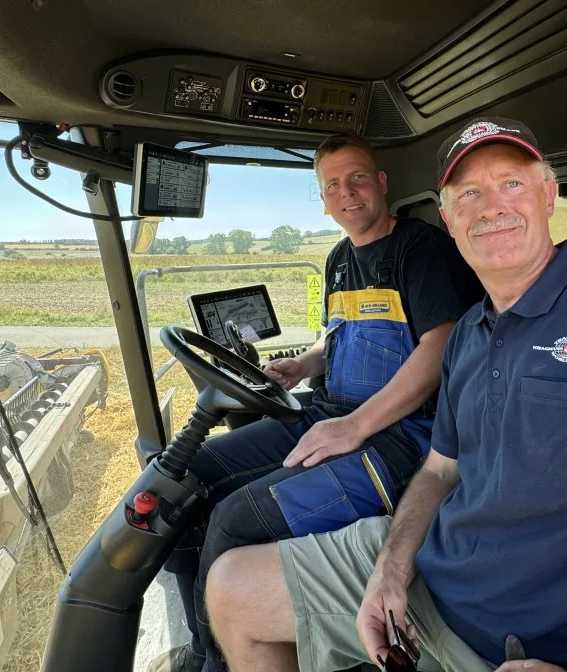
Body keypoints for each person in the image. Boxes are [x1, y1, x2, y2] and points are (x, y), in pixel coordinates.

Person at [203, 117, 567, 672]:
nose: (493, 207)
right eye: (469, 195)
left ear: (548, 192)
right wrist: (391, 565)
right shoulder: (467, 336)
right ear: (448, 216)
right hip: (433, 573)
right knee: (231, 589)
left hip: (537, 642)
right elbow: (438, 472)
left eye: (511, 182)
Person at [163, 133, 484, 672]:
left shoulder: (419, 249)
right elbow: (336, 335)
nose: (347, 192)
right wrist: (304, 365)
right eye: (332, 184)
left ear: (381, 183)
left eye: (358, 177)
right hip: (327, 414)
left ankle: (211, 661)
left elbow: (441, 345)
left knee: (234, 519)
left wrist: (356, 426)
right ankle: (207, 641)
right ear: (322, 198)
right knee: (186, 479)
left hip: (401, 437)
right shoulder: (338, 258)